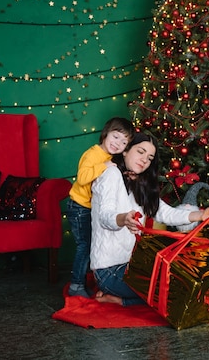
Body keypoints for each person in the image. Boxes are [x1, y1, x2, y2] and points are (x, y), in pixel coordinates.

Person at [90, 132, 209, 306]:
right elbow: (105, 217)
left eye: (150, 157)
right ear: (125, 150)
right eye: (140, 151)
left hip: (133, 265)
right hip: (109, 271)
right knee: (174, 291)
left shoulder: (138, 182)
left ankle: (120, 299)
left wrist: (201, 215)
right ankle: (121, 299)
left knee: (183, 282)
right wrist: (124, 219)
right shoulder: (110, 174)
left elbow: (166, 213)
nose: (145, 159)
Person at [65, 117, 135, 297]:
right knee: (85, 245)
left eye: (123, 141)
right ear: (105, 134)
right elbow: (82, 178)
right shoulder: (93, 154)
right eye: (116, 136)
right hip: (79, 206)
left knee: (91, 242)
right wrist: (102, 166)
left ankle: (86, 279)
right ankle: (76, 285)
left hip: (88, 207)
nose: (118, 143)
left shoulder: (109, 158)